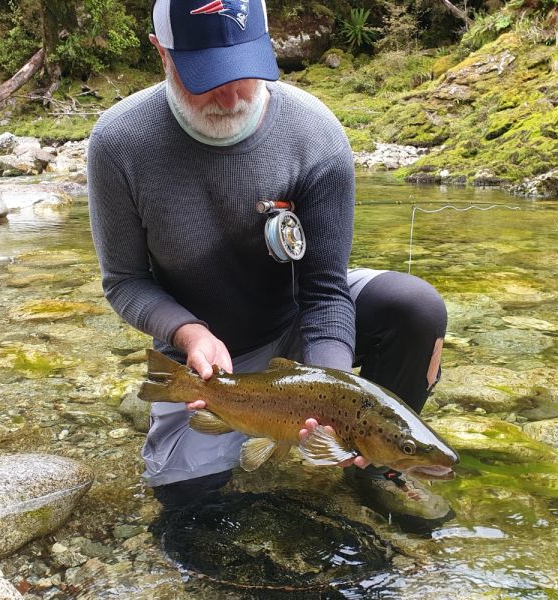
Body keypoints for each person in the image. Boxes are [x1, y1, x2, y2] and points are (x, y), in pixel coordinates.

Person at [87, 0, 450, 526]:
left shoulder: (314, 132)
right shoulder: (120, 142)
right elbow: (124, 282)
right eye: (206, 77)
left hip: (297, 317)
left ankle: (375, 463)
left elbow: (326, 291)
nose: (231, 97)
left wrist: (327, 393)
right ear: (161, 53)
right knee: (188, 503)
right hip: (209, 356)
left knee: (413, 307)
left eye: (244, 71)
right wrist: (189, 334)